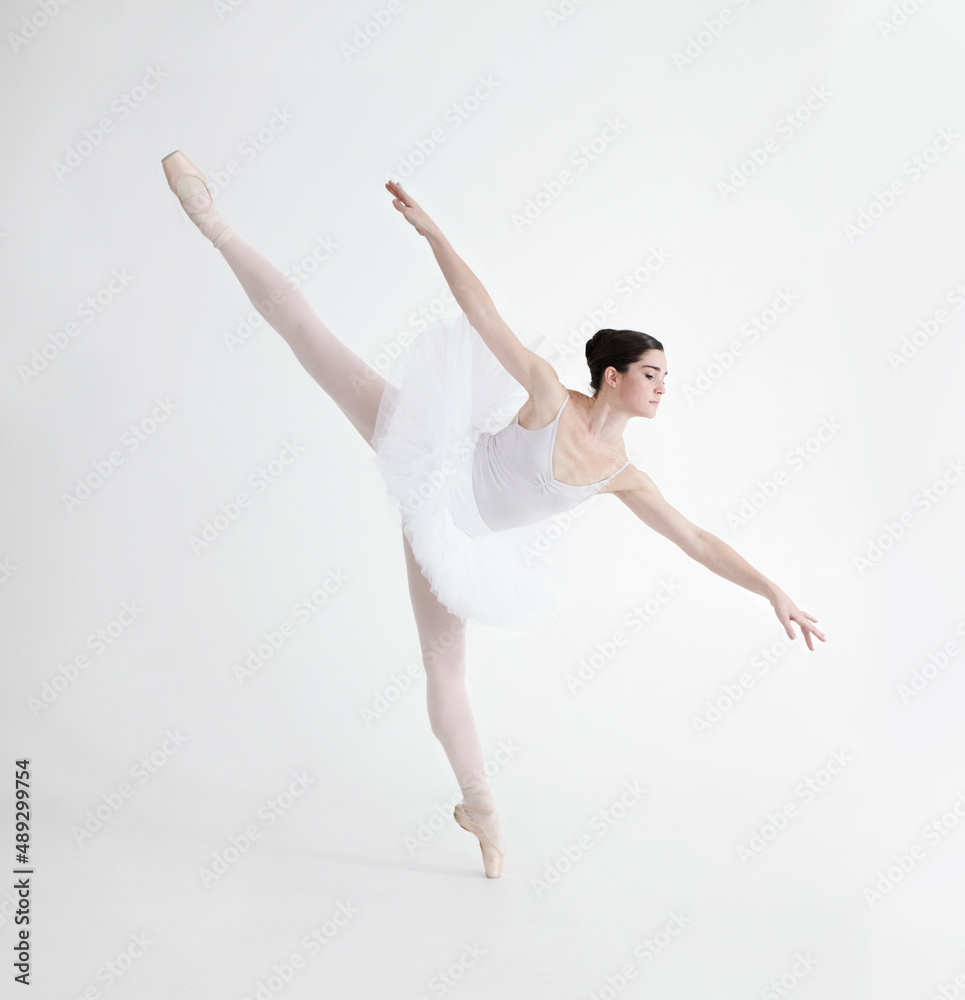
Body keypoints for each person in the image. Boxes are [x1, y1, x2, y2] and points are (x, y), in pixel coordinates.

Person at [161, 151, 826, 878]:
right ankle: (212, 221)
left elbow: (697, 539)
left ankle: (481, 811)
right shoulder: (547, 395)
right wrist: (434, 235)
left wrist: (773, 591)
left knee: (446, 674)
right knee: (317, 346)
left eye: (666, 377)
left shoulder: (623, 478)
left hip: (453, 540)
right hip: (433, 458)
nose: (663, 388)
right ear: (612, 377)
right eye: (651, 375)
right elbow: (483, 315)